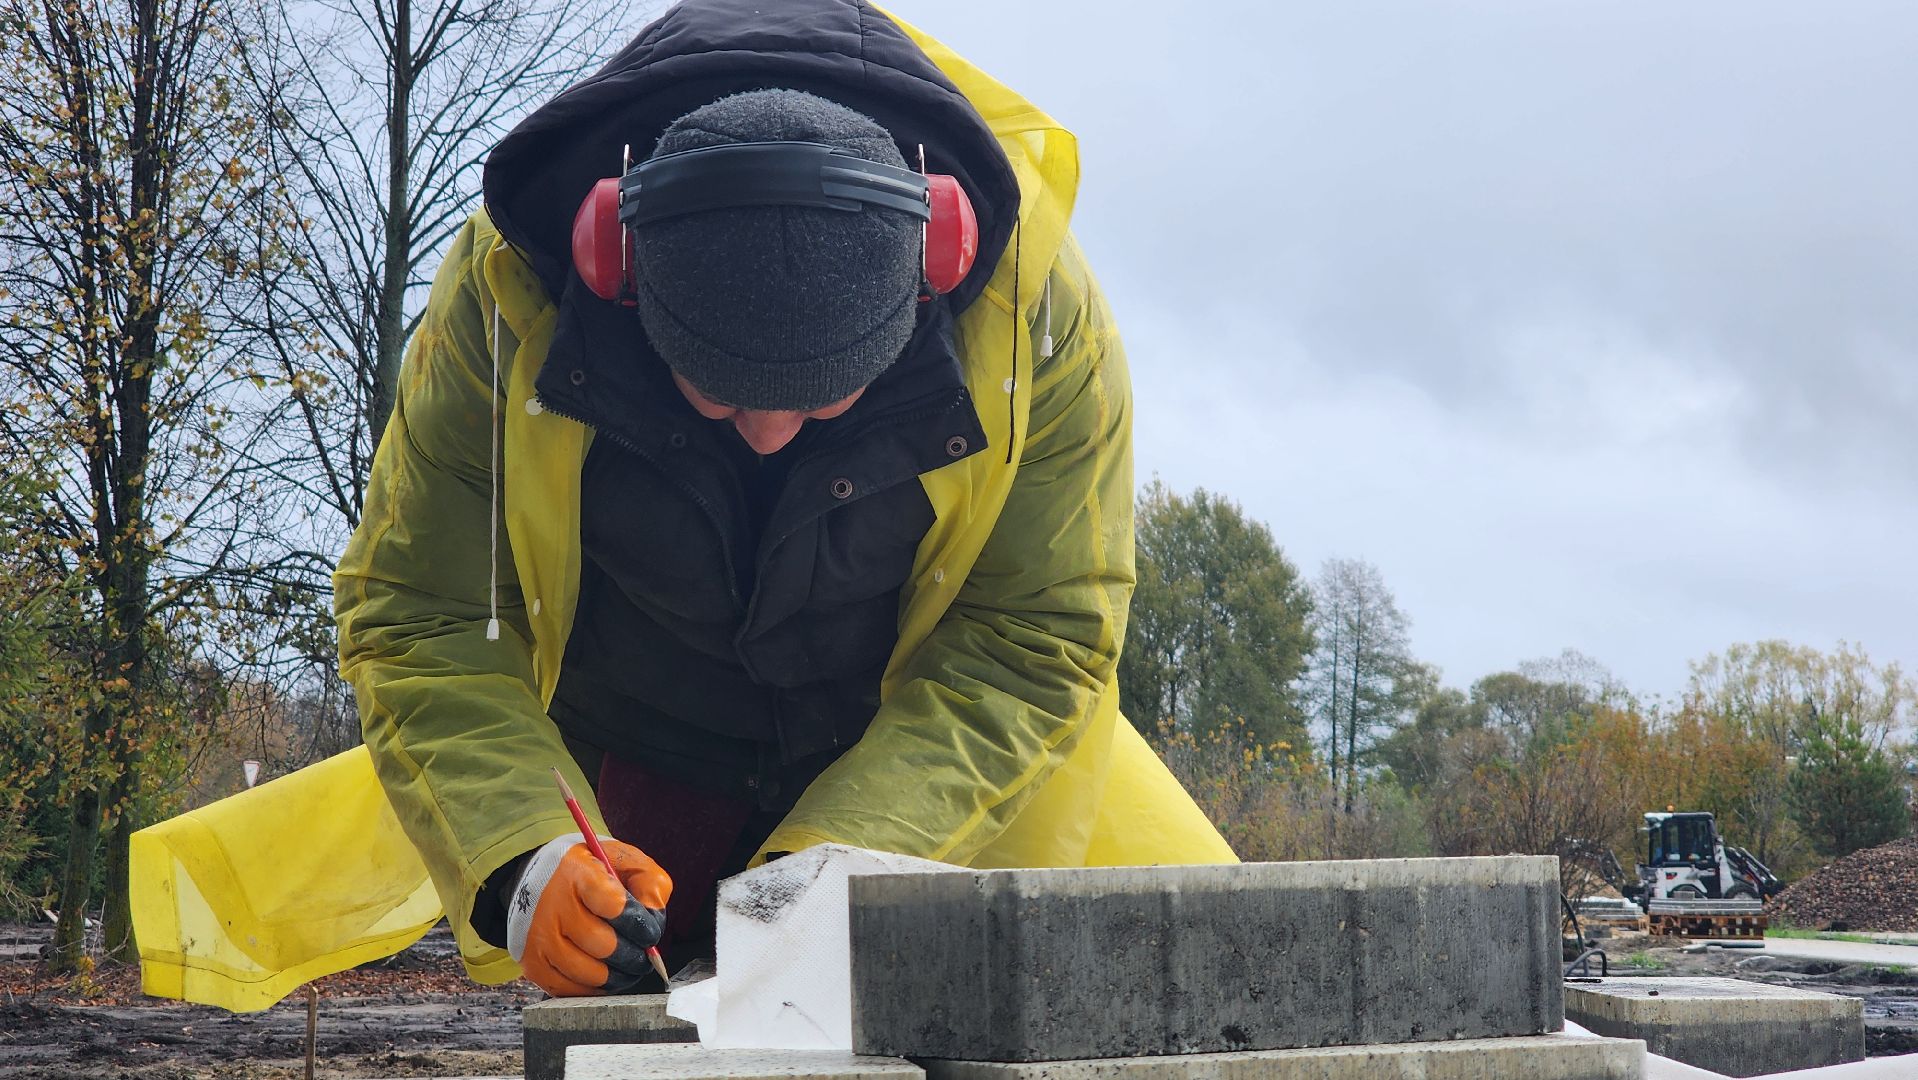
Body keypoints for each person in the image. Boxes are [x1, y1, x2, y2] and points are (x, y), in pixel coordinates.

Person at [334, 0, 1234, 998]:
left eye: (822, 398)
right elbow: (426, 615)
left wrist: (840, 864)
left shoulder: (1039, 328)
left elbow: (1033, 639)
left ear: (933, 267)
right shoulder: (511, 301)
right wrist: (525, 856)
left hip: (916, 775)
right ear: (614, 265)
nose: (766, 432)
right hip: (635, 764)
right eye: (715, 389)